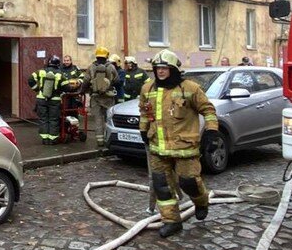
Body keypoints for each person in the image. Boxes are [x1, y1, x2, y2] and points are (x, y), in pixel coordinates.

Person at [138, 49, 220, 238]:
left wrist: (212, 132)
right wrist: (143, 130)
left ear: (173, 69)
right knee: (161, 186)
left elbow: (208, 110)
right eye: (157, 68)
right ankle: (171, 221)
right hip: (157, 147)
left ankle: (201, 201)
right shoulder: (147, 89)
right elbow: (144, 112)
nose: (160, 72)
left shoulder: (190, 88)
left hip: (184, 147)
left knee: (188, 182)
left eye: (164, 68)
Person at [81, 46, 119, 147]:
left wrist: (82, 91)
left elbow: (85, 81)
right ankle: (108, 140)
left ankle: (100, 141)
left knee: (98, 119)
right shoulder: (111, 67)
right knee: (108, 119)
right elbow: (117, 80)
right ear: (106, 56)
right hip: (108, 97)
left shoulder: (91, 67)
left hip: (95, 97)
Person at [28, 55, 67, 145]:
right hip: (55, 100)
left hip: (41, 99)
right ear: (58, 64)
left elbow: (30, 80)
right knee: (53, 119)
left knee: (43, 119)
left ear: (48, 63)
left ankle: (45, 139)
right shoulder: (60, 74)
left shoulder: (41, 71)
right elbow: (67, 86)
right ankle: (52, 140)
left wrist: (37, 89)